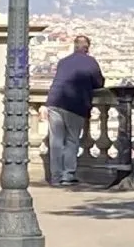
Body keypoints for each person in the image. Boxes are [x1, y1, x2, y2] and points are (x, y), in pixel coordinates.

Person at [45, 36, 105, 186]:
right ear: (87, 48)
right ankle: (67, 174)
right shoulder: (90, 62)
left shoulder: (63, 61)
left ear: (74, 46)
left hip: (54, 101)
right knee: (72, 140)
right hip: (75, 104)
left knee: (56, 141)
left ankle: (55, 176)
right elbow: (99, 83)